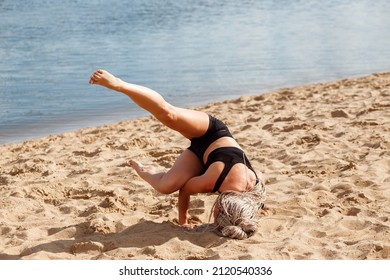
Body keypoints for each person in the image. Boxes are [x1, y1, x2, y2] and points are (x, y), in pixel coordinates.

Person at [89, 69, 266, 239]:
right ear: (226, 205)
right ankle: (119, 84)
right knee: (168, 114)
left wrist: (257, 209)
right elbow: (185, 190)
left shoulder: (250, 194)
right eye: (219, 215)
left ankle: (146, 169)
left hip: (200, 157)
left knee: (166, 186)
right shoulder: (218, 182)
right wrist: (183, 219)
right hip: (210, 133)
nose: (215, 214)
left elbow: (259, 193)